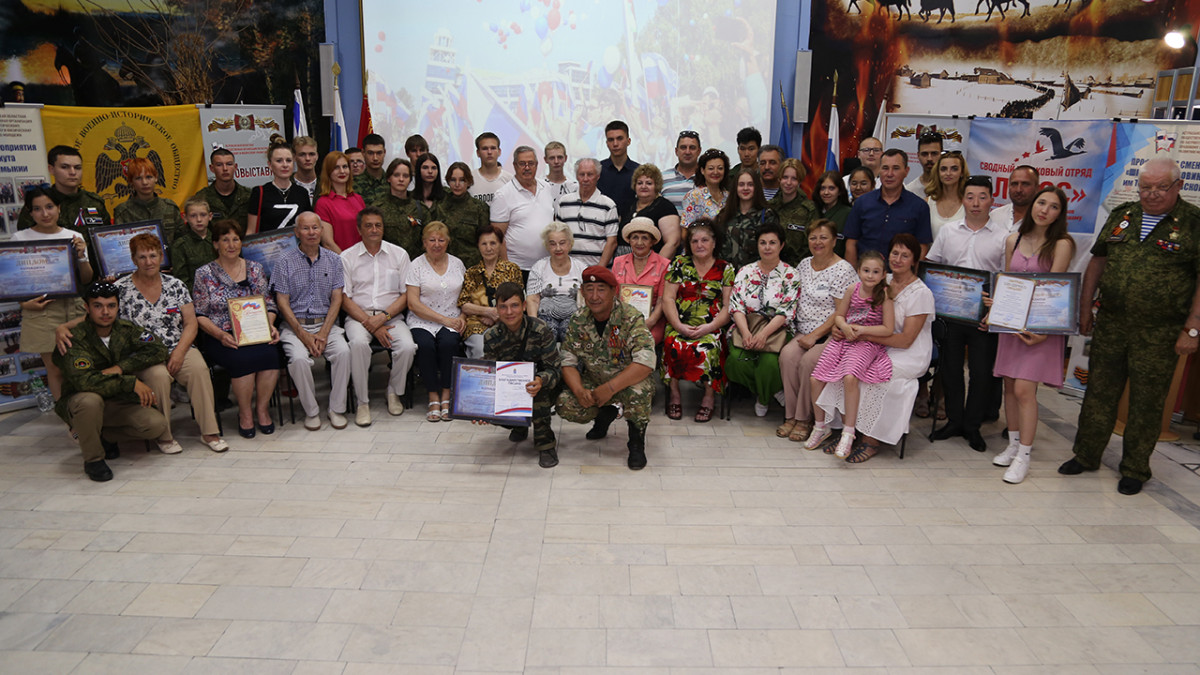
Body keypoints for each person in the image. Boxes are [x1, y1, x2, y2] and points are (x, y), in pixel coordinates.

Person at [1060, 161, 1200, 496]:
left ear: (1178, 186)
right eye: (1145, 187)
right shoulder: (1123, 214)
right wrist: (1085, 307)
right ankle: (1086, 454)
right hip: (1111, 322)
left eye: (1160, 187)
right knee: (1099, 392)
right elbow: (1098, 261)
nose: (1151, 194)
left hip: (1160, 331)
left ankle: (1135, 468)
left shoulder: (1193, 223)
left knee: (1147, 401)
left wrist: (1193, 327)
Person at [813, 234, 935, 462]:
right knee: (844, 371)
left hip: (907, 352)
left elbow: (906, 340)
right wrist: (841, 329)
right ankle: (848, 433)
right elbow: (852, 311)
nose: (898, 259)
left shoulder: (921, 293)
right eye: (895, 253)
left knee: (870, 378)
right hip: (873, 343)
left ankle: (871, 440)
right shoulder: (879, 278)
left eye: (905, 255)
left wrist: (859, 334)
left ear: (914, 260)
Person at [104, 233, 226, 452]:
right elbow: (104, 320)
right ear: (133, 260)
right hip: (143, 354)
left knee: (198, 370)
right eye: (142, 257)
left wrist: (179, 352)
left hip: (179, 346)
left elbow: (191, 323)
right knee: (158, 377)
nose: (148, 262)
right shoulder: (121, 289)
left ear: (161, 256)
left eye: (153, 256)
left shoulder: (176, 285)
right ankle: (163, 435)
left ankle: (209, 431)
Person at [988, 186, 1075, 484]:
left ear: (1060, 214)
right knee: (1010, 387)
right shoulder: (1013, 239)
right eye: (1041, 203)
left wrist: (1041, 332)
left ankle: (1024, 455)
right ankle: (1013, 445)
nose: (1045, 210)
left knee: (1025, 390)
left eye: (1053, 206)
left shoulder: (1062, 244)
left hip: (1040, 328)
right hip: (1011, 325)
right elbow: (1007, 281)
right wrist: (994, 308)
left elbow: (1055, 292)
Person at [54, 282, 170, 482]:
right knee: (89, 401)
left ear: (118, 306)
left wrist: (121, 367)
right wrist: (129, 383)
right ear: (87, 308)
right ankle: (93, 460)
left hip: (115, 401)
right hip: (82, 401)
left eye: (111, 306)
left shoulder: (126, 329)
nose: (105, 312)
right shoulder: (75, 338)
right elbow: (85, 381)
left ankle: (103, 437)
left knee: (156, 425)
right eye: (98, 306)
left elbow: (159, 349)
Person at [926, 176, 1008, 452]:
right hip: (950, 314)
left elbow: (1006, 279)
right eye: (970, 197)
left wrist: (994, 310)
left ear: (991, 200)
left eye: (982, 197)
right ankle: (954, 420)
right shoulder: (948, 232)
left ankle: (972, 425)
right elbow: (933, 267)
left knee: (981, 373)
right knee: (950, 370)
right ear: (963, 200)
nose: (976, 203)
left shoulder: (1003, 237)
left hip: (982, 317)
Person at [557, 265, 655, 470]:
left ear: (614, 291)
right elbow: (568, 360)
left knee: (639, 393)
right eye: (589, 289)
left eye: (601, 289)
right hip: (594, 380)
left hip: (627, 382)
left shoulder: (630, 317)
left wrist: (610, 389)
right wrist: (579, 391)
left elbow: (645, 363)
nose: (594, 296)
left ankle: (636, 443)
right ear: (582, 292)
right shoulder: (578, 319)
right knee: (565, 403)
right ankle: (605, 415)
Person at [192, 219, 280, 438]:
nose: (231, 245)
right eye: (225, 240)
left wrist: (269, 325)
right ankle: (245, 414)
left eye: (235, 239)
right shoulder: (204, 273)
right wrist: (221, 335)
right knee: (242, 360)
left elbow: (269, 304)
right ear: (215, 244)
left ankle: (262, 410)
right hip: (221, 336)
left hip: (255, 331)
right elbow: (200, 314)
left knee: (271, 355)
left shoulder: (255, 268)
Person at [805, 251, 895, 458]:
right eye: (866, 270)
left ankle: (848, 431)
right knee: (815, 378)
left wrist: (862, 330)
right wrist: (844, 326)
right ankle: (820, 426)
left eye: (875, 272)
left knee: (850, 377)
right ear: (859, 271)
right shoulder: (852, 289)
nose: (870, 275)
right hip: (844, 339)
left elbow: (888, 329)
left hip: (867, 342)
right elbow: (839, 316)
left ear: (883, 275)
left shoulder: (885, 295)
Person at [777, 220, 857, 443]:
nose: (817, 242)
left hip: (832, 334)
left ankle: (804, 419)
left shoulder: (843, 270)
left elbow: (841, 311)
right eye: (813, 237)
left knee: (808, 362)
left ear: (834, 241)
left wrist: (815, 336)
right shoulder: (804, 264)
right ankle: (791, 415)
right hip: (803, 330)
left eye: (823, 237)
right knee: (787, 357)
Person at [14, 186, 94, 400]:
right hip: (42, 310)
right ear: (30, 212)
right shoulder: (20, 238)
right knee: (55, 368)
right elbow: (14, 282)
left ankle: (86, 410)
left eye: (49, 207)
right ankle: (65, 415)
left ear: (58, 208)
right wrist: (24, 304)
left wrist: (81, 256)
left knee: (82, 364)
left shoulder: (74, 236)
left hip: (74, 307)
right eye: (37, 209)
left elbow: (86, 278)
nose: (45, 213)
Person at [274, 212, 351, 431]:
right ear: (296, 232)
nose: (311, 232)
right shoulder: (284, 261)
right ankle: (312, 411)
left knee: (344, 353)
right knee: (299, 359)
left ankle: (336, 409)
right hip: (294, 325)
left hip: (326, 323)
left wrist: (323, 333)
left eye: (315, 228)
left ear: (322, 230)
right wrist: (304, 335)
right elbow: (282, 302)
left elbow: (337, 298)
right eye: (305, 228)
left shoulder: (334, 260)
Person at [340, 206, 417, 424]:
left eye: (378, 225)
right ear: (359, 229)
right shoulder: (347, 257)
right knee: (358, 344)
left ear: (383, 228)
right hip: (359, 317)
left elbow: (406, 295)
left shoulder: (399, 255)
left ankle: (393, 391)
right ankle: (362, 402)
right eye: (368, 226)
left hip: (391, 317)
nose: (374, 230)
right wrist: (370, 323)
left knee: (407, 347)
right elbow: (344, 298)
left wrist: (382, 318)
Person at [482, 282, 563, 468]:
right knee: (491, 408)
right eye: (503, 307)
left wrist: (540, 380)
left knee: (537, 395)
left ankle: (545, 444)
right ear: (497, 309)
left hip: (541, 387)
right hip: (510, 391)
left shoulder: (540, 330)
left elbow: (555, 369)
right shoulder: (491, 337)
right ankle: (519, 424)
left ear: (524, 306)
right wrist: (480, 408)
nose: (509, 312)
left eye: (515, 305)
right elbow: (491, 376)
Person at [662, 219, 734, 423]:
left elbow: (728, 306)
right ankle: (674, 393)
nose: (699, 245)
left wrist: (709, 327)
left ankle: (709, 397)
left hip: (712, 325)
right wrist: (678, 325)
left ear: (714, 242)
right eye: (694, 241)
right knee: (672, 343)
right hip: (679, 322)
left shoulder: (726, 268)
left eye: (704, 240)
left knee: (710, 347)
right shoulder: (679, 264)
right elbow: (668, 299)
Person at [726, 223, 799, 417]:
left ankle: (763, 398)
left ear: (781, 245)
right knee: (737, 362)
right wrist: (746, 333)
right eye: (763, 242)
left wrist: (764, 335)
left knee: (769, 365)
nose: (767, 247)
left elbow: (786, 311)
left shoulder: (791, 274)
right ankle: (770, 391)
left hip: (777, 330)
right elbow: (736, 306)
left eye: (772, 243)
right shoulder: (745, 271)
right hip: (746, 326)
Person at [406, 221, 467, 422]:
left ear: (448, 242)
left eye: (441, 240)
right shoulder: (416, 265)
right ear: (424, 242)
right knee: (425, 346)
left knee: (449, 344)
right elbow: (413, 303)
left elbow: (466, 296)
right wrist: (444, 320)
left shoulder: (457, 264)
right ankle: (433, 395)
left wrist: (462, 317)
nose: (437, 244)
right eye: (432, 240)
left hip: (453, 319)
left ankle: (446, 395)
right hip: (422, 320)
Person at [843, 149, 932, 266]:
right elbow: (851, 243)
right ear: (879, 170)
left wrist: (913, 275)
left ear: (906, 171)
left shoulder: (919, 206)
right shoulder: (862, 203)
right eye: (885, 168)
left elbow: (922, 247)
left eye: (896, 168)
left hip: (901, 273)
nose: (889, 174)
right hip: (865, 273)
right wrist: (854, 274)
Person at [458, 225, 523, 358]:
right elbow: (464, 304)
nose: (488, 248)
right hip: (477, 325)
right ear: (478, 246)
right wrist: (488, 312)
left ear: (500, 245)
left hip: (507, 322)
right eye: (484, 244)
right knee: (481, 349)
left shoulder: (512, 269)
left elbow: (519, 301)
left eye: (493, 243)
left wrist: (497, 316)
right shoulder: (472, 272)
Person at [16, 146, 110, 235]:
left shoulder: (95, 203)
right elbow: (26, 238)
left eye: (77, 168)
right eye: (65, 167)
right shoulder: (38, 203)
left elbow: (106, 237)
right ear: (51, 169)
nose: (73, 172)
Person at [491, 146, 555, 274]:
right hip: (517, 268)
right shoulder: (503, 195)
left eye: (531, 163)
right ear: (514, 165)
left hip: (547, 266)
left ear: (537, 165)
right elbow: (497, 237)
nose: (527, 168)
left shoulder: (547, 187)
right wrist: (507, 269)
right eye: (522, 164)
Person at [612, 217, 670, 344]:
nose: (639, 242)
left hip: (651, 319)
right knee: (613, 339)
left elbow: (662, 300)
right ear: (629, 240)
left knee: (642, 341)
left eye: (645, 238)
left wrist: (650, 322)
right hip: (622, 318)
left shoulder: (664, 264)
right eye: (635, 237)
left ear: (652, 241)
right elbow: (614, 295)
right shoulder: (618, 262)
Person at [526, 222, 586, 341]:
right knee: (547, 335)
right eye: (552, 244)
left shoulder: (581, 268)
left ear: (570, 243)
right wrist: (534, 325)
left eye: (562, 243)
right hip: (545, 316)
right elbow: (532, 299)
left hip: (574, 316)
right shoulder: (539, 267)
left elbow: (587, 299)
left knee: (570, 335)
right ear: (547, 246)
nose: (558, 248)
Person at [555, 158, 619, 267]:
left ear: (598, 176)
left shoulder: (608, 205)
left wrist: (598, 270)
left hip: (597, 269)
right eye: (582, 174)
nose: (585, 179)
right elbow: (558, 236)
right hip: (569, 269)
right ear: (576, 176)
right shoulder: (564, 202)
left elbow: (612, 242)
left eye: (590, 174)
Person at [713, 169, 779, 271]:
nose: (745, 188)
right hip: (727, 275)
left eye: (750, 184)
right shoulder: (724, 215)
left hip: (756, 275)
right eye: (741, 184)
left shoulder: (767, 215)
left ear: (757, 187)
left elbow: (773, 249)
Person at [113, 157, 185, 243]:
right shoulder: (123, 212)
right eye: (138, 178)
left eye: (149, 177)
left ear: (156, 178)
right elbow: (121, 244)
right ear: (131, 181)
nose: (145, 182)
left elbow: (182, 241)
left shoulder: (169, 207)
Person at [248, 138, 312, 234]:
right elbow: (251, 231)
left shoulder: (302, 192)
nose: (285, 165)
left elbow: (309, 227)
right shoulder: (259, 192)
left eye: (289, 160)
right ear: (270, 165)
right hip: (268, 244)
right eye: (279, 161)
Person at [433, 162, 490, 267]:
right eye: (453, 180)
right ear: (448, 181)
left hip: (471, 265)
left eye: (462, 180)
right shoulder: (439, 206)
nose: (457, 184)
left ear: (469, 182)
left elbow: (485, 241)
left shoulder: (479, 208)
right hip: (443, 264)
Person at [621, 163, 681, 259]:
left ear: (657, 185)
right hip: (623, 261)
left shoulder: (665, 207)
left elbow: (672, 242)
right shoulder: (627, 205)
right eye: (640, 183)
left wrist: (657, 265)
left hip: (652, 262)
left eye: (649, 183)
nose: (643, 186)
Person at [313, 151, 366, 253]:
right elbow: (328, 243)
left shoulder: (358, 198)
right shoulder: (323, 203)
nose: (342, 171)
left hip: (362, 258)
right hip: (339, 258)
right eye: (336, 168)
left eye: (345, 167)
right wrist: (345, 260)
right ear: (328, 172)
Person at [377, 158, 430, 257]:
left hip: (415, 262)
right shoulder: (377, 208)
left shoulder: (420, 209)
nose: (401, 179)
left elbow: (429, 239)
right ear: (389, 178)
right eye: (396, 175)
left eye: (405, 176)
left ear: (410, 180)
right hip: (387, 262)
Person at [769, 158, 818, 264]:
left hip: (800, 267)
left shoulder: (809, 209)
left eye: (794, 179)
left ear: (799, 181)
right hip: (770, 265)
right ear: (779, 179)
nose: (788, 182)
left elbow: (812, 244)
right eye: (785, 177)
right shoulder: (770, 207)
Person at [190, 147, 251, 228]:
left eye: (229, 164)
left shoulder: (249, 195)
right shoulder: (202, 197)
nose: (225, 169)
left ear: (235, 167)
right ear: (212, 168)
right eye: (219, 165)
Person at [598, 120, 640, 216]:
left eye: (619, 138)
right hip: (601, 222)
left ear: (628, 141)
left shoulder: (639, 171)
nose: (615, 144)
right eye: (611, 140)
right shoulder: (597, 170)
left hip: (632, 223)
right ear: (606, 143)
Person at [681, 148, 729, 228]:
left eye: (720, 168)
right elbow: (685, 229)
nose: (715, 172)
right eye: (711, 168)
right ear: (702, 170)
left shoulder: (729, 197)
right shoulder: (693, 196)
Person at [925, 151, 968, 240]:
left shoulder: (969, 204)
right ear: (938, 172)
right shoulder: (927, 203)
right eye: (943, 169)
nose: (948, 173)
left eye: (954, 169)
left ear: (962, 172)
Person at [661, 130, 701, 212]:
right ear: (676, 151)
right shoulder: (662, 178)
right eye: (683, 147)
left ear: (699, 151)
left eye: (692, 148)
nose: (687, 152)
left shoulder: (708, 178)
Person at [469, 132, 513, 206]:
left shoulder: (510, 180)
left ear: (499, 152)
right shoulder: (469, 179)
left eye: (493, 148)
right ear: (478, 153)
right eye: (485, 148)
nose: (489, 152)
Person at [993, 165, 1040, 232]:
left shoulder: (1042, 221)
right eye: (1014, 184)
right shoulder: (995, 215)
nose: (1019, 190)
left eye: (1025, 184)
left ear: (1037, 188)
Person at [812, 169, 853, 243]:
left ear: (840, 191)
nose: (826, 192)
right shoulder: (813, 210)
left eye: (831, 188)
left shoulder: (848, 213)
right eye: (823, 188)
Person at [540, 141, 578, 210]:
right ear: (545, 160)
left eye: (560, 157)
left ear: (565, 158)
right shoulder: (539, 186)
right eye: (552, 158)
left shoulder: (575, 188)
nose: (556, 161)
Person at [905, 131, 944, 197]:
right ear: (918, 155)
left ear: (941, 154)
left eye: (934, 153)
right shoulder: (910, 191)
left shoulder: (951, 188)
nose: (929, 159)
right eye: (925, 154)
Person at [357, 133, 389, 206]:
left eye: (379, 153)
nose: (375, 158)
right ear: (363, 153)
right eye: (370, 153)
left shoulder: (392, 182)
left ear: (384, 152)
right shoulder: (353, 184)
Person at [292, 136, 320, 202]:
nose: (307, 158)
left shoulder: (325, 184)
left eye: (311, 154)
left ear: (317, 156)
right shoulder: (287, 184)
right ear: (294, 157)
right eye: (302, 154)